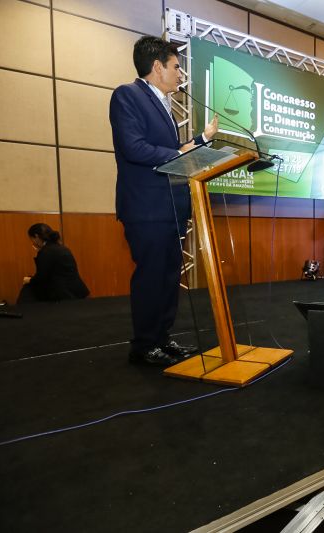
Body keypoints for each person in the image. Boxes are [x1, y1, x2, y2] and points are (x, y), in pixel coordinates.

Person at [110, 36, 219, 367]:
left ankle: (162, 338)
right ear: (157, 67)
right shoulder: (127, 96)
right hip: (146, 208)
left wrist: (202, 140)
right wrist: (178, 152)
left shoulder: (164, 106)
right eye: (176, 67)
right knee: (152, 276)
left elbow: (173, 152)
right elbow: (134, 147)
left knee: (170, 277)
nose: (180, 75)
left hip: (170, 207)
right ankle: (144, 345)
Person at [19, 223, 89, 303]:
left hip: (61, 295)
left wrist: (29, 280)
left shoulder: (45, 252)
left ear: (36, 236)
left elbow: (41, 278)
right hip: (77, 292)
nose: (32, 242)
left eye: (32, 239)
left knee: (27, 289)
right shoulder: (62, 248)